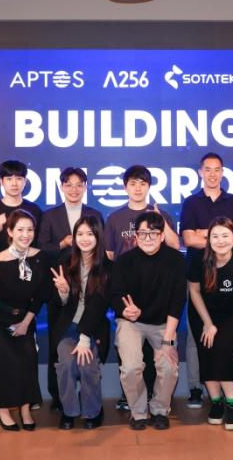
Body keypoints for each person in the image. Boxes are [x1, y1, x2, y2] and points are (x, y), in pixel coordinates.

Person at [104, 165, 180, 411]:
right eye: (133, 183)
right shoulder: (115, 218)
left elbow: (175, 246)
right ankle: (134, 404)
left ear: (149, 186)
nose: (137, 188)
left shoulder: (161, 215)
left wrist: (161, 220)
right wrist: (122, 301)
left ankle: (158, 405)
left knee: (162, 361)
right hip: (129, 297)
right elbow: (109, 255)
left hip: (159, 297)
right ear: (125, 187)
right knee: (131, 362)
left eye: (142, 183)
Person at [180, 153, 233, 408]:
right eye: (207, 169)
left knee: (229, 336)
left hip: (230, 273)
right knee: (197, 334)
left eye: (217, 169)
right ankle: (196, 388)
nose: (212, 174)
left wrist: (204, 233)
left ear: (222, 172)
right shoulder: (191, 202)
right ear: (200, 172)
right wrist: (222, 234)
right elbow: (188, 239)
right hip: (199, 273)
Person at [111, 211, 186, 430]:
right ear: (135, 236)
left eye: (153, 233)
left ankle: (160, 409)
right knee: (131, 367)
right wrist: (126, 311)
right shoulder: (124, 261)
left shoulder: (176, 261)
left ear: (162, 236)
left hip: (164, 323)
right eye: (143, 233)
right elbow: (115, 295)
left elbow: (177, 301)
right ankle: (138, 411)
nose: (148, 238)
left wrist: (168, 341)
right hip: (131, 323)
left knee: (168, 366)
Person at [0, 209, 50, 431]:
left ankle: (25, 410)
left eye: (30, 230)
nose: (25, 235)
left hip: (24, 319)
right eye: (20, 230)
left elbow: (41, 295)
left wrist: (26, 323)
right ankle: (3, 410)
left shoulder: (40, 257)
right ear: (9, 231)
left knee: (27, 359)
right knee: (4, 362)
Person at [38, 167, 104, 412]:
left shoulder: (94, 214)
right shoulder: (50, 215)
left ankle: (89, 404)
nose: (74, 189)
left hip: (90, 285)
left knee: (88, 346)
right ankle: (58, 397)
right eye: (69, 184)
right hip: (61, 286)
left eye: (79, 184)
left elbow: (100, 246)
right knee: (57, 344)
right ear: (61, 187)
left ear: (85, 187)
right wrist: (62, 243)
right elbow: (41, 248)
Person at [188, 217, 233, 430]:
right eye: (215, 236)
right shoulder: (199, 259)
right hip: (202, 314)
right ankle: (216, 403)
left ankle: (231, 405)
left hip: (231, 316)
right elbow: (194, 291)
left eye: (226, 235)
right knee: (206, 352)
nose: (220, 240)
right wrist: (207, 323)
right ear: (209, 240)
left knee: (223, 350)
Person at [50, 215, 111, 430]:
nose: (85, 238)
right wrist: (63, 292)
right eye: (80, 234)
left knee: (86, 364)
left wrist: (85, 338)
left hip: (93, 329)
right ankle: (69, 411)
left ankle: (93, 411)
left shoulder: (107, 266)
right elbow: (59, 303)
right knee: (66, 363)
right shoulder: (65, 262)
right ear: (74, 237)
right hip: (68, 328)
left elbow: (99, 306)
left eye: (90, 234)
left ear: (98, 236)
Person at [0, 160, 42, 260]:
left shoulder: (34, 210)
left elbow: (41, 245)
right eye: (9, 179)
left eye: (19, 178)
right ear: (1, 181)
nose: (14, 184)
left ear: (25, 181)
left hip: (30, 266)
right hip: (1, 266)